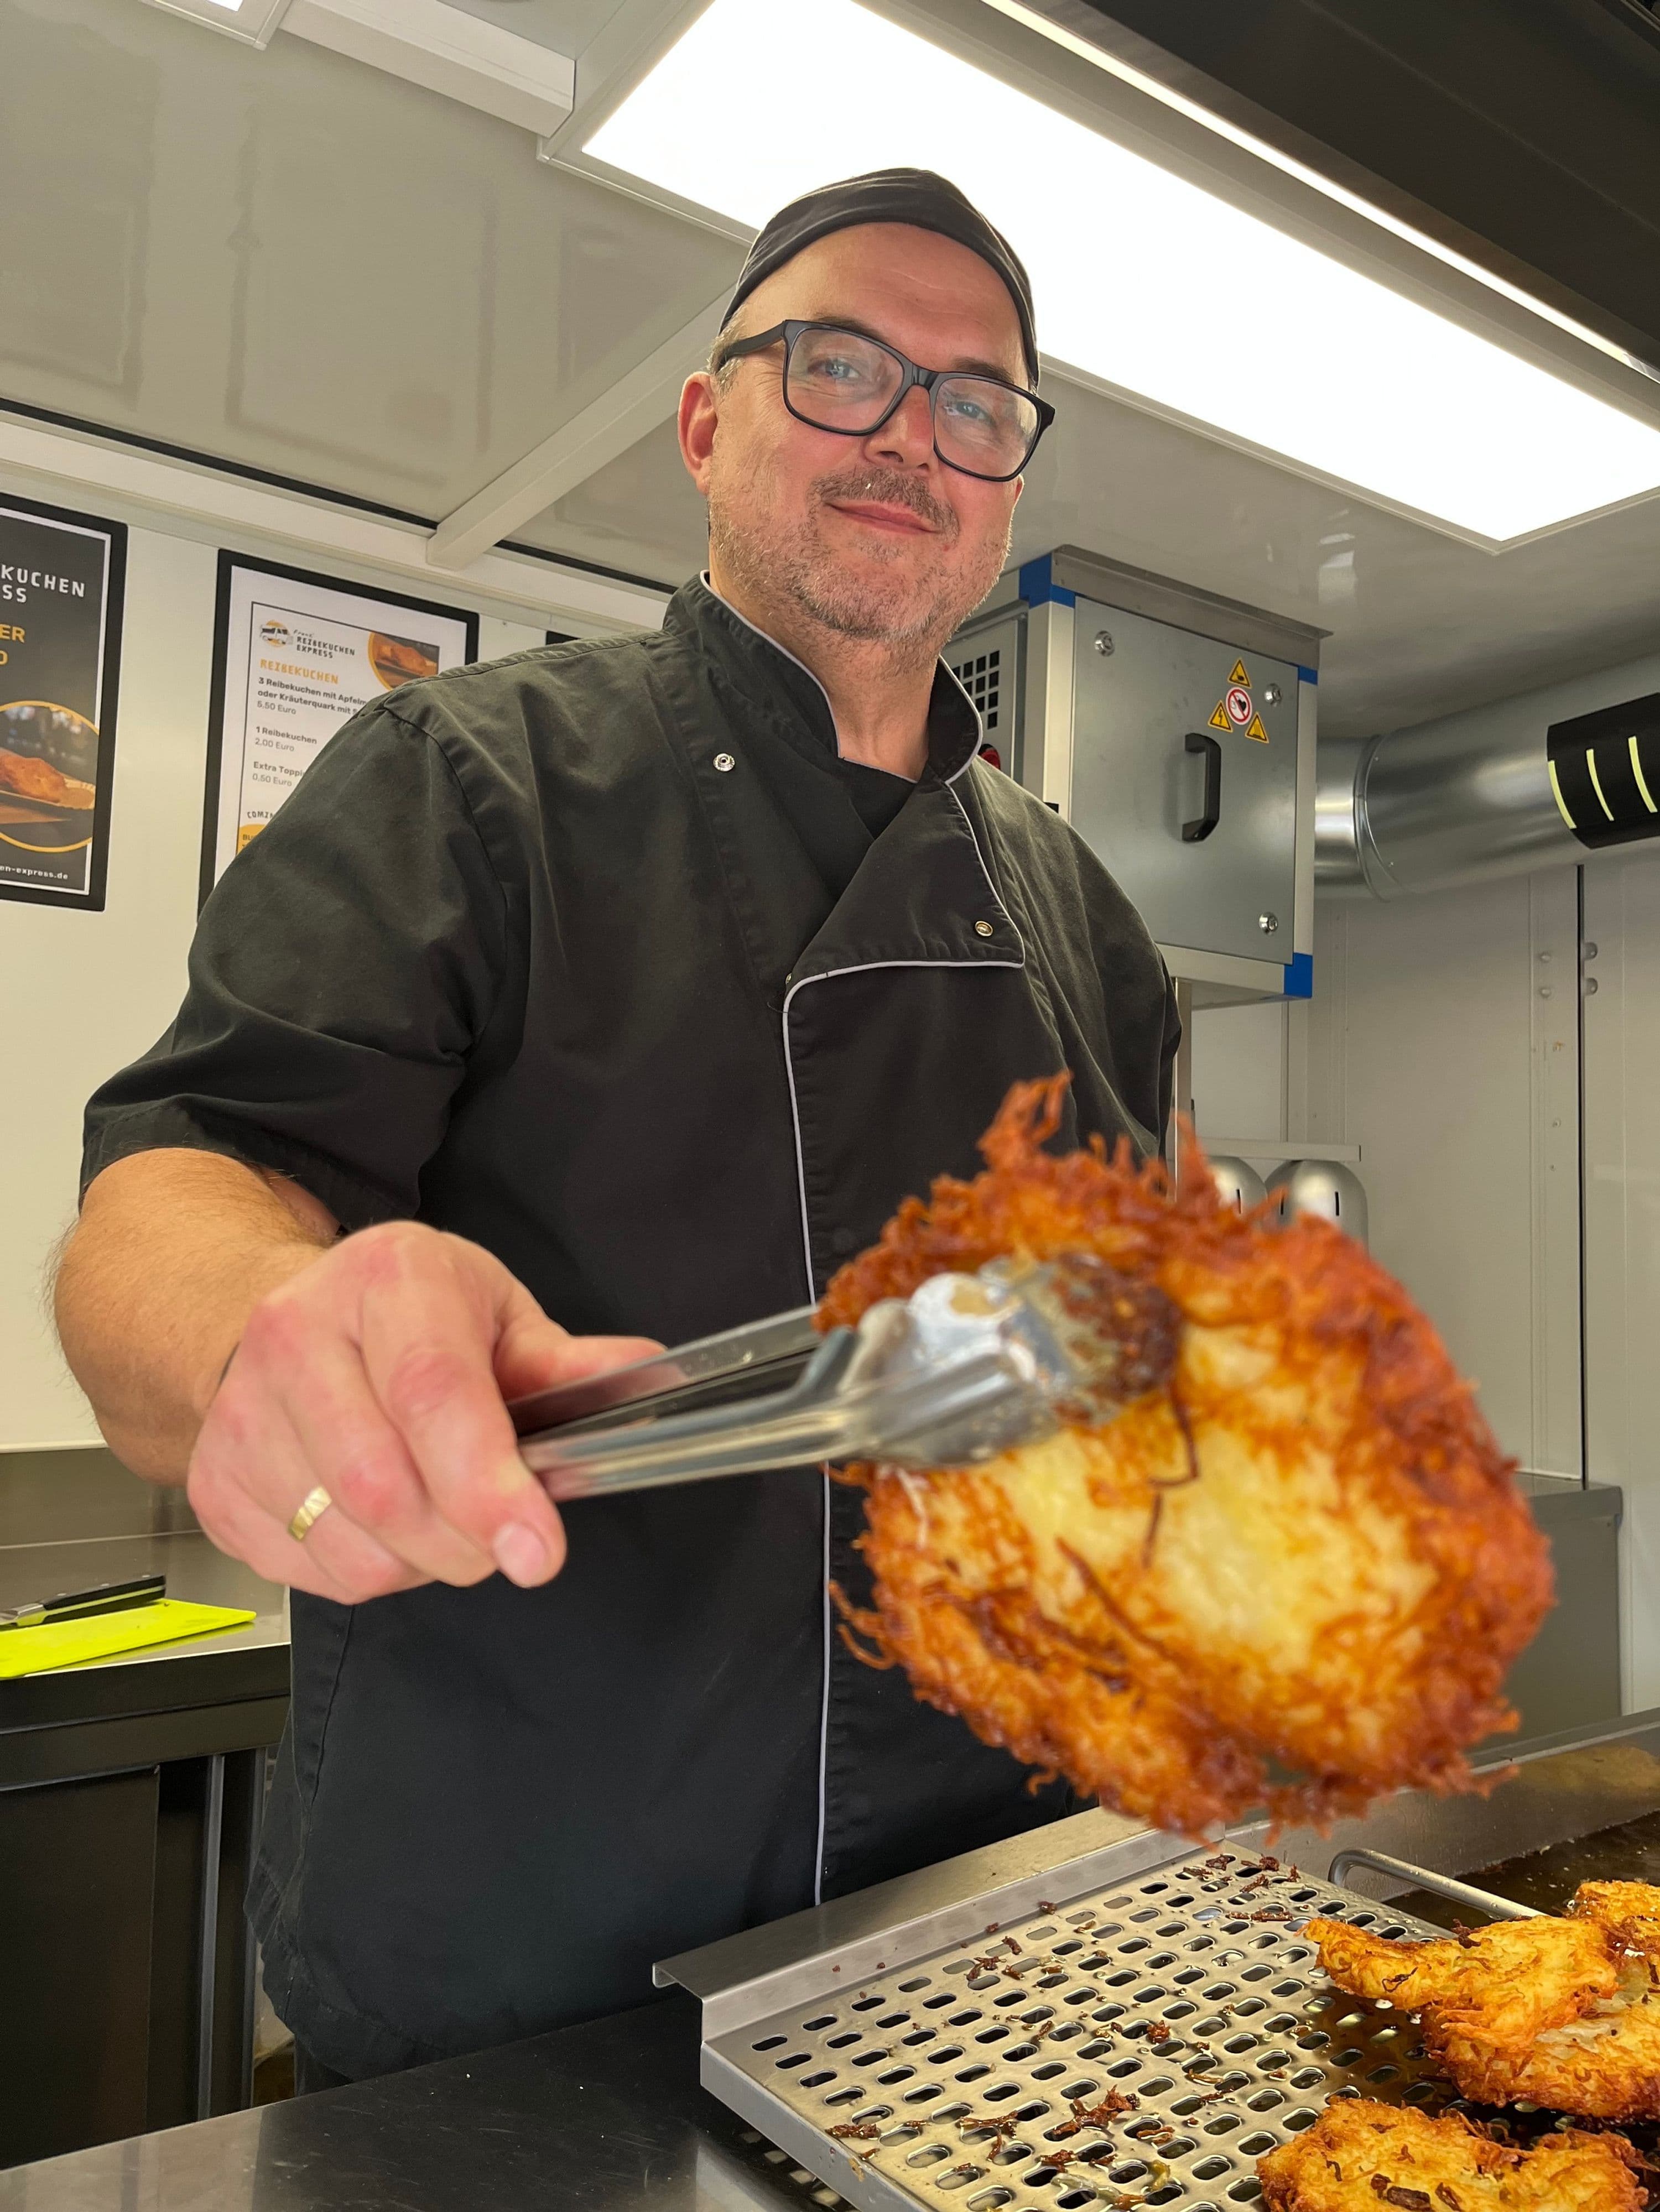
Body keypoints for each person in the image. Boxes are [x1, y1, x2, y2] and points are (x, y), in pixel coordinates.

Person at [54, 170, 1179, 2087]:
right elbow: (181, 1188)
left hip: (976, 1971)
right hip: (522, 1969)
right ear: (704, 424)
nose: (912, 433)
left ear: (1007, 486)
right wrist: (265, 1332)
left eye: (974, 401)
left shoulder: (1087, 918)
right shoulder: (461, 783)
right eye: (842, 368)